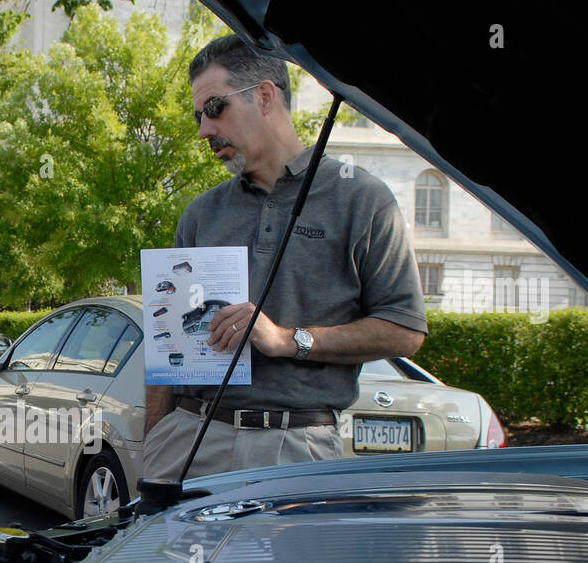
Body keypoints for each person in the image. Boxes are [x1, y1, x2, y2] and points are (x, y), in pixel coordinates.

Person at [143, 36, 427, 483]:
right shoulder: (201, 212)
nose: (204, 130)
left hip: (295, 450)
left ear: (264, 95)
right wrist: (155, 445)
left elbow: (405, 330)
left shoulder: (362, 198)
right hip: (188, 439)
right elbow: (164, 343)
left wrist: (288, 340)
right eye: (198, 115)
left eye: (215, 108)